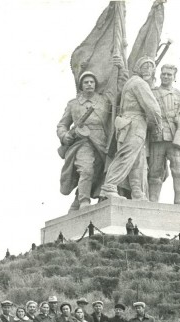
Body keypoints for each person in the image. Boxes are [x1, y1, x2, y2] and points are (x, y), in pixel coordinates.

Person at [57, 58, 126, 211]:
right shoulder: (73, 104)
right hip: (82, 141)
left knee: (98, 174)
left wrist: (120, 68)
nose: (89, 84)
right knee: (86, 169)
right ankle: (83, 201)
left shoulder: (104, 100)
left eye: (92, 82)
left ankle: (77, 201)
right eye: (86, 82)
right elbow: (62, 124)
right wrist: (64, 135)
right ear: (81, 85)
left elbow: (119, 89)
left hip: (102, 143)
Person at [101, 56, 162, 201]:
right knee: (127, 155)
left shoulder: (132, 82)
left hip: (130, 124)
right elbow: (153, 109)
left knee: (138, 160)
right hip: (134, 123)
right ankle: (109, 186)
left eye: (150, 66)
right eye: (144, 66)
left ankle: (137, 192)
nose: (147, 69)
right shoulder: (139, 83)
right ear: (138, 69)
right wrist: (158, 126)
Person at [148, 64, 180, 205]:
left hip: (176, 137)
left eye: (169, 74)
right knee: (155, 172)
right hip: (157, 136)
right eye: (164, 73)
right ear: (160, 75)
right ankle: (153, 200)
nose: (166, 76)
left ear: (174, 77)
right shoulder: (152, 92)